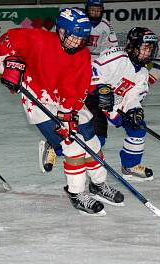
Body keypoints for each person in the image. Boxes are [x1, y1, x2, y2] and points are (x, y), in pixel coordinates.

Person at [0, 8, 124, 216]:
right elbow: (6, 41)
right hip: (38, 98)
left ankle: (98, 184)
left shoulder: (81, 54)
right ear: (61, 32)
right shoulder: (38, 39)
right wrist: (8, 63)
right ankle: (77, 193)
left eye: (82, 38)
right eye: (74, 37)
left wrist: (67, 114)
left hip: (64, 98)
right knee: (72, 147)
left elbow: (77, 87)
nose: (78, 43)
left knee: (91, 140)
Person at [39, 0, 119, 172]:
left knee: (97, 135)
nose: (95, 12)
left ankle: (92, 174)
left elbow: (113, 49)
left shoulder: (105, 25)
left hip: (94, 76)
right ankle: (54, 144)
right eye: (92, 9)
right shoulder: (72, 25)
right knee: (69, 131)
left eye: (98, 9)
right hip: (74, 77)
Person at [88, 27, 158, 181]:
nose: (149, 52)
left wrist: (135, 110)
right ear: (133, 46)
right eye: (145, 48)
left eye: (151, 48)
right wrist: (100, 88)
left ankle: (130, 166)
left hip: (114, 106)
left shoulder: (143, 73)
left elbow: (133, 97)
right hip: (93, 101)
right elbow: (92, 70)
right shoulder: (117, 57)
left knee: (138, 127)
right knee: (95, 140)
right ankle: (55, 146)